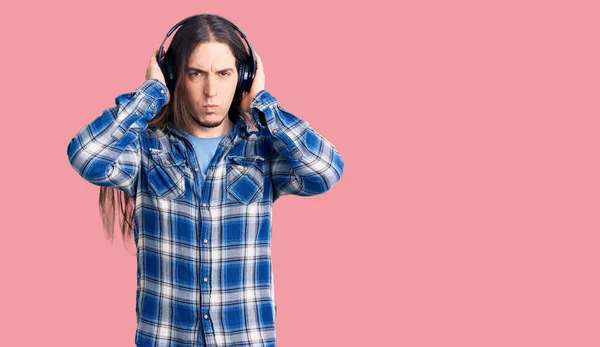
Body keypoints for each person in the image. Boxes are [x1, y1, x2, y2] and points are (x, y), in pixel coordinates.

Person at [66, 14, 344, 347]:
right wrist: (150, 93)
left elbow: (326, 170)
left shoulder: (262, 151)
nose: (211, 90)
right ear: (176, 77)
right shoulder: (145, 149)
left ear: (241, 78)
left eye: (224, 74)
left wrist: (263, 105)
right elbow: (86, 154)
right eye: (196, 73)